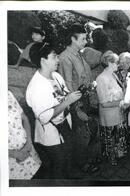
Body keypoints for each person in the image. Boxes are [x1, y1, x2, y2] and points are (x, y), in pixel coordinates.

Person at [26, 42, 82, 179]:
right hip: (51, 133)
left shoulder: (55, 75)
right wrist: (68, 101)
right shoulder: (37, 87)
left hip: (64, 125)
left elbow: (64, 94)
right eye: (54, 57)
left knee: (68, 158)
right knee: (59, 164)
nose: (58, 59)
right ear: (43, 60)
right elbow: (44, 117)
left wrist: (72, 97)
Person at [58, 24, 96, 170]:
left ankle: (85, 159)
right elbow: (67, 87)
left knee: (86, 132)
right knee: (81, 135)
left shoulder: (78, 53)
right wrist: (77, 108)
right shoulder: (65, 58)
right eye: (82, 38)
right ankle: (82, 165)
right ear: (72, 39)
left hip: (83, 98)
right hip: (75, 103)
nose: (86, 41)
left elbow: (83, 76)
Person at [96, 51, 127, 166]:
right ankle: (111, 158)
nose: (118, 64)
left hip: (117, 113)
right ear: (109, 63)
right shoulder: (101, 78)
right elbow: (103, 103)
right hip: (109, 116)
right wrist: (122, 102)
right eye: (116, 62)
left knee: (117, 136)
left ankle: (117, 154)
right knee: (110, 138)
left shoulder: (113, 75)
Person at [8, 90, 41, 179]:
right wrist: (14, 154)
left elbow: (24, 118)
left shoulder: (8, 94)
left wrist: (29, 143)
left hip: (28, 150)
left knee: (39, 179)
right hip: (10, 162)